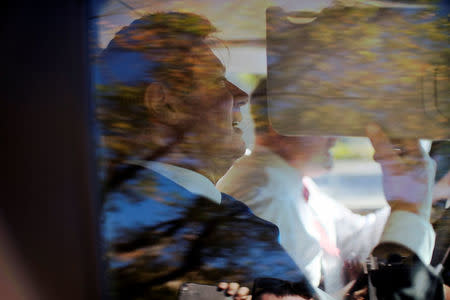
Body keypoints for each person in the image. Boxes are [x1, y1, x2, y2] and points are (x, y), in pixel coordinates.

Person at [98, 12, 443, 300]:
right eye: (217, 81)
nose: (241, 94)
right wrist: (410, 209)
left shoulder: (151, 213)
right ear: (164, 103)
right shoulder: (182, 231)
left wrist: (410, 211)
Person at [218, 79, 390, 294]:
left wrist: (425, 198)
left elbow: (353, 236)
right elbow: (282, 296)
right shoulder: (264, 196)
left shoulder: (292, 183)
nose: (335, 137)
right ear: (279, 125)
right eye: (323, 123)